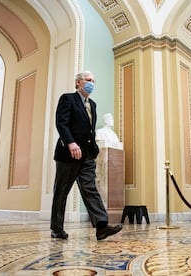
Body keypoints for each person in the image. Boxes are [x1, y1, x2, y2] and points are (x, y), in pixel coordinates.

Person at [50, 70, 122, 240]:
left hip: (87, 155)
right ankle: (56, 229)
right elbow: (61, 123)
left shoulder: (93, 104)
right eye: (88, 80)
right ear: (78, 83)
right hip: (68, 154)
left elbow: (89, 130)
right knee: (61, 191)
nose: (92, 83)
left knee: (90, 189)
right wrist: (71, 142)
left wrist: (94, 149)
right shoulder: (67, 99)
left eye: (94, 80)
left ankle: (101, 226)